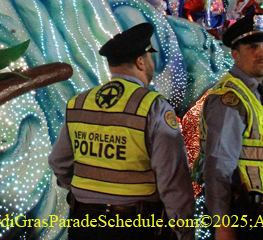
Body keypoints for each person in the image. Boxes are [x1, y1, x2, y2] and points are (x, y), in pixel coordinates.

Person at [49, 23, 195, 240]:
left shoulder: (79, 103)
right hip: (135, 226)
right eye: (149, 56)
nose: (151, 62)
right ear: (140, 61)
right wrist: (184, 231)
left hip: (83, 223)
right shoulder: (153, 107)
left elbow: (59, 163)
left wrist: (88, 193)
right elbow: (172, 180)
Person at [196, 13, 263, 240]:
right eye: (252, 47)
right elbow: (218, 165)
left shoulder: (256, 93)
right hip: (242, 215)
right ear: (235, 54)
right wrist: (223, 225)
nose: (261, 52)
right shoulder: (230, 98)